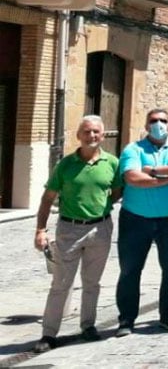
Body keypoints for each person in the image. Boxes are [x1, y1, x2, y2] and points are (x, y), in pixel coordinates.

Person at [33, 116, 122, 353]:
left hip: (100, 228)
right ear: (78, 135)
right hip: (69, 229)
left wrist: (99, 209)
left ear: (102, 135)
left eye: (96, 132)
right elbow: (47, 198)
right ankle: (49, 334)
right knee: (61, 283)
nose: (91, 136)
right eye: (87, 132)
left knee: (92, 282)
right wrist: (41, 230)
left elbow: (116, 192)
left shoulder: (112, 163)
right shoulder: (65, 165)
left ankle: (88, 326)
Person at [115, 109, 168, 336]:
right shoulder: (133, 149)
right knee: (130, 270)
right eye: (153, 121)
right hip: (135, 219)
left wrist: (154, 171)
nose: (159, 124)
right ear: (146, 125)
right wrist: (167, 180)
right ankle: (126, 320)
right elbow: (132, 177)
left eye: (163, 120)